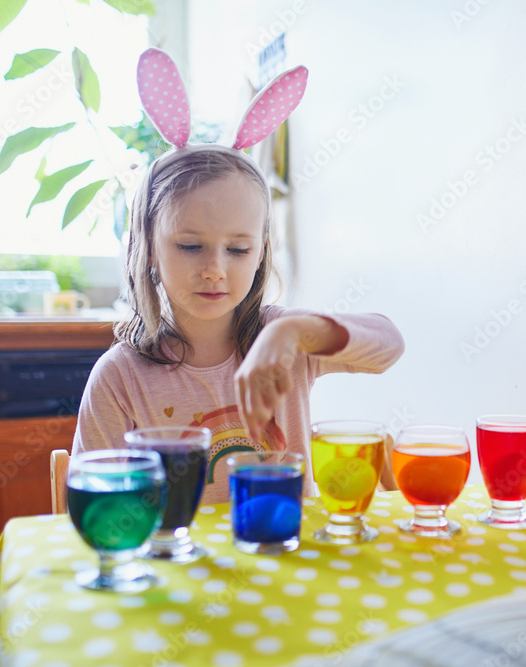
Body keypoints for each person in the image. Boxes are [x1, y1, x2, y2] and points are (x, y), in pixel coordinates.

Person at [71, 141, 404, 503]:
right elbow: (93, 502)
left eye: (237, 250)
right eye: (190, 246)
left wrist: (293, 333)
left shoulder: (288, 341)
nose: (214, 271)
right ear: (150, 246)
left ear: (260, 252)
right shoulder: (120, 377)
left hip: (285, 549)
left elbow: (389, 345)